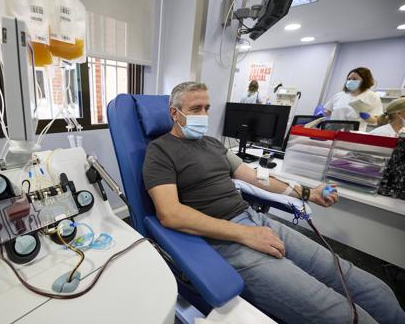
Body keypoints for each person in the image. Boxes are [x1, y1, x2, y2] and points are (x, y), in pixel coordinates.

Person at [143, 81, 404, 324]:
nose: (203, 115)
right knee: (342, 314)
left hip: (257, 221)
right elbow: (171, 214)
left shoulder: (213, 144)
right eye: (195, 109)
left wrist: (307, 192)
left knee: (372, 288)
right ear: (174, 113)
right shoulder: (160, 151)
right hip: (222, 239)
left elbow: (256, 176)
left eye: (207, 108)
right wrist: (244, 234)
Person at [324, 67, 382, 131]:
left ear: (364, 81)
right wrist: (322, 113)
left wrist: (367, 116)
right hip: (333, 131)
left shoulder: (372, 96)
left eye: (354, 79)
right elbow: (328, 112)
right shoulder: (339, 95)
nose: (350, 81)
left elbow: (375, 120)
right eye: (349, 79)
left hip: (354, 134)